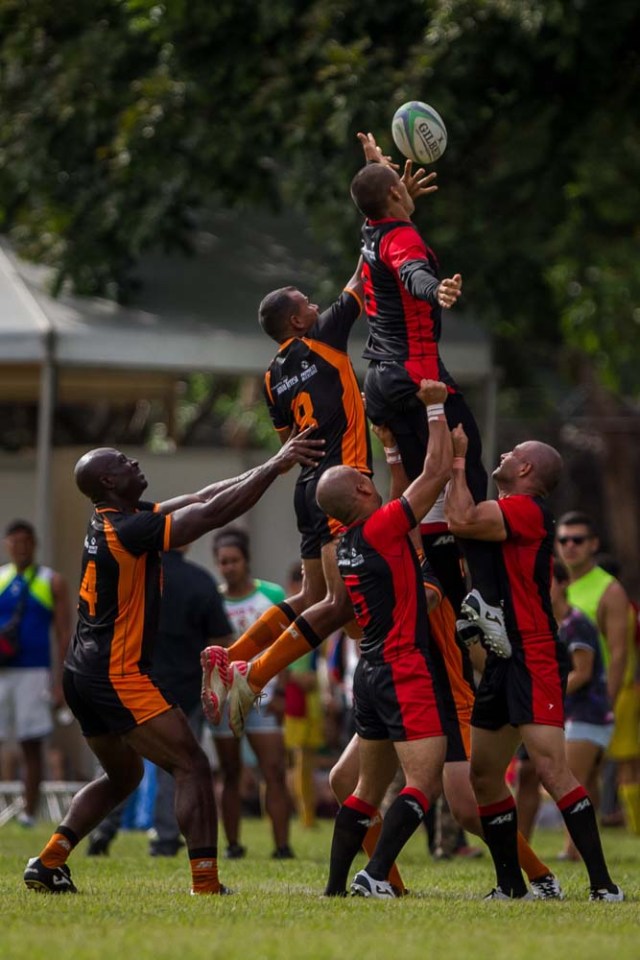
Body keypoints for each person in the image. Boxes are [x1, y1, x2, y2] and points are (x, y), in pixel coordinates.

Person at [23, 431, 323, 895]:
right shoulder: (129, 529)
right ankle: (206, 883)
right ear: (108, 480)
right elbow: (213, 513)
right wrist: (278, 466)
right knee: (192, 765)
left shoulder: (115, 518)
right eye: (123, 461)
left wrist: (271, 462)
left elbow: (204, 496)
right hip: (114, 674)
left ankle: (49, 860)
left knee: (124, 776)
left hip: (82, 673)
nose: (134, 463)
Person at [200, 160, 440, 737]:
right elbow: (367, 274)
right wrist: (384, 209)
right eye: (306, 302)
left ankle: (229, 656)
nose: (316, 303)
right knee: (338, 605)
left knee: (312, 592)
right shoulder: (323, 337)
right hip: (343, 484)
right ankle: (251, 678)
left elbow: (289, 444)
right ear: (296, 320)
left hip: (308, 488)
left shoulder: (270, 376)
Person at [445, 427, 623, 901]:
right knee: (484, 776)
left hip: (533, 652)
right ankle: (510, 886)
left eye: (512, 452)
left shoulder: (526, 510)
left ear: (525, 470)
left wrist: (459, 459)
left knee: (550, 769)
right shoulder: (504, 510)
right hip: (503, 656)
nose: (504, 453)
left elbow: (460, 518)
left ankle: (604, 885)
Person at [350, 137, 509, 654]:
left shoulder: (371, 227)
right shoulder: (400, 238)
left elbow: (372, 191)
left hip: (379, 380)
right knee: (467, 467)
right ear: (396, 195)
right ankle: (484, 598)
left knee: (427, 488)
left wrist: (377, 163)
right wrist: (433, 288)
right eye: (399, 185)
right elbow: (412, 269)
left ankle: (448, 591)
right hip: (419, 380)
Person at [318, 378, 459, 898]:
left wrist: (392, 448)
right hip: (404, 668)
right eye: (364, 476)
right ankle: (374, 875)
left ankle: (335, 888)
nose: (369, 479)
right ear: (359, 492)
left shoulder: (349, 542)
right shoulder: (380, 528)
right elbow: (437, 475)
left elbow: (402, 503)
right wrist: (437, 408)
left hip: (370, 672)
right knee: (425, 783)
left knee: (365, 790)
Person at [86, 544, 234, 857]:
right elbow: (221, 640)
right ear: (188, 542)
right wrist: (212, 685)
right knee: (180, 767)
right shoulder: (200, 581)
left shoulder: (131, 576)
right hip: (182, 689)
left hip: (131, 685)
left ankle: (100, 830)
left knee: (118, 763)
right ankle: (166, 838)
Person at [516, 559, 614, 858]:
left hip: (585, 713)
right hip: (550, 711)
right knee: (526, 774)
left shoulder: (577, 624)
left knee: (566, 777)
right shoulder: (539, 623)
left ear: (563, 585)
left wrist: (542, 693)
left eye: (547, 582)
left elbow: (582, 673)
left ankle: (574, 850)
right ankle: (518, 848)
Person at [211, 527, 293, 860]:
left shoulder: (271, 596)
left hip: (264, 694)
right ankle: (232, 844)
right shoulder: (212, 599)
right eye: (223, 562)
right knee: (230, 773)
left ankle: (282, 846)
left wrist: (283, 690)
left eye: (234, 560)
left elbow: (289, 642)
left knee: (273, 771)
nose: (229, 567)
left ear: (247, 561)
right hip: (226, 695)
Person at [556, 511, 639, 834]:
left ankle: (580, 843)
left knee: (586, 773)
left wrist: (608, 700)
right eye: (564, 540)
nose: (570, 546)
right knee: (580, 775)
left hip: (595, 696)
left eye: (578, 540)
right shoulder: (558, 586)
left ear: (593, 545)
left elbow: (619, 652)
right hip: (563, 692)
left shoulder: (609, 590)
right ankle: (575, 845)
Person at [0, 519, 71, 826]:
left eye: (25, 542)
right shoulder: (1, 578)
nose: (20, 548)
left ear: (34, 544)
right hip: (3, 671)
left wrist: (60, 681)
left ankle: (29, 812)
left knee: (32, 742)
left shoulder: (50, 580)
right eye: (14, 542)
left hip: (34, 670)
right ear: (7, 545)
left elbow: (64, 632)